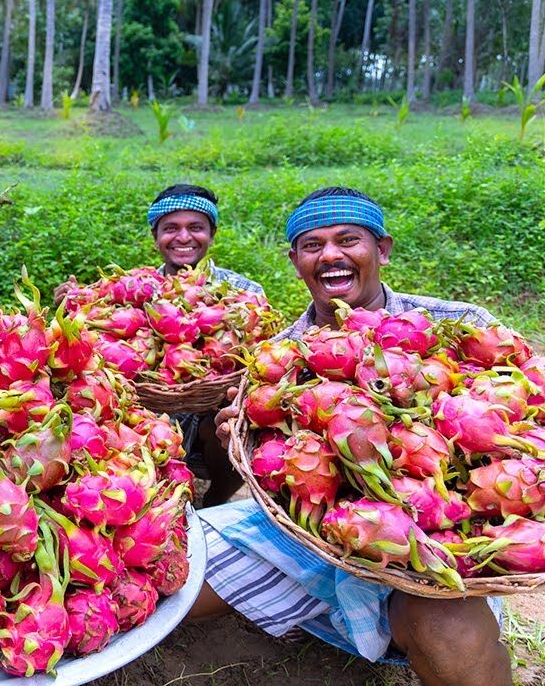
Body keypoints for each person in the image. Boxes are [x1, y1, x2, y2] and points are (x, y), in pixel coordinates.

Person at [193, 186, 510, 686]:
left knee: (446, 624)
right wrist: (240, 437)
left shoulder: (461, 324)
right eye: (313, 245)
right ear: (295, 260)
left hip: (439, 540)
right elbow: (274, 471)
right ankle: (321, 610)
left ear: (381, 249)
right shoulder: (276, 358)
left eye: (349, 240)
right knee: (177, 572)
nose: (331, 255)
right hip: (309, 532)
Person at [58, 184, 265, 505]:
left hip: (210, 417)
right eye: (171, 228)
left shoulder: (242, 291)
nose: (183, 237)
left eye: (196, 227)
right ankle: (139, 491)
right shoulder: (131, 290)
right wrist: (70, 310)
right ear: (155, 236)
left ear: (212, 233)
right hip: (144, 406)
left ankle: (215, 501)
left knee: (233, 416)